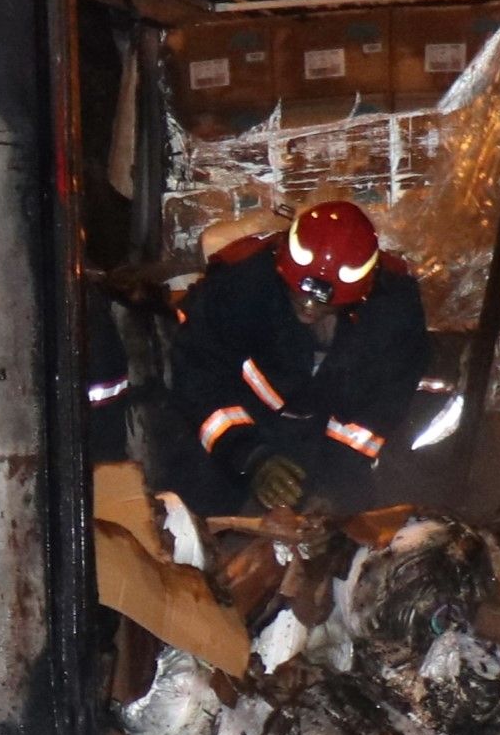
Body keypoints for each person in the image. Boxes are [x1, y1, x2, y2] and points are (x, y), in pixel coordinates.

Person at [163, 198, 430, 517]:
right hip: (245, 423)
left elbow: (376, 413)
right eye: (300, 295)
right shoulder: (240, 288)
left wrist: (335, 491)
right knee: (195, 498)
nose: (309, 307)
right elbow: (200, 381)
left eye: (323, 303)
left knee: (372, 513)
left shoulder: (392, 314)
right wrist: (252, 458)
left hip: (327, 440)